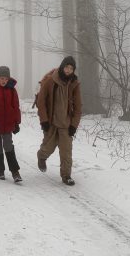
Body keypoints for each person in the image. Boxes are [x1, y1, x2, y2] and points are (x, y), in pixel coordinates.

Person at [35, 56, 82, 186]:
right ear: (62, 67)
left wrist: (74, 125)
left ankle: (66, 175)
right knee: (48, 148)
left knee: (66, 151)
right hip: (51, 122)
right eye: (66, 67)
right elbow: (41, 101)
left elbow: (78, 107)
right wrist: (44, 120)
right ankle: (41, 157)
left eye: (71, 68)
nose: (68, 70)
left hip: (66, 124)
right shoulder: (51, 81)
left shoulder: (74, 84)